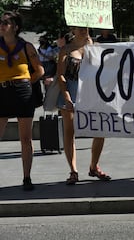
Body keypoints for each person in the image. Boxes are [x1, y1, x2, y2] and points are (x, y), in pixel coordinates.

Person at [56, 26, 111, 185]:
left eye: (86, 28)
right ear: (73, 29)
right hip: (71, 92)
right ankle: (73, 170)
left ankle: (94, 165)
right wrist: (66, 96)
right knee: (69, 131)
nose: (83, 31)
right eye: (80, 28)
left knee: (100, 129)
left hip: (90, 92)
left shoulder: (94, 47)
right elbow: (60, 74)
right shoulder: (66, 49)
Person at [0, 11, 44, 190]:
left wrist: (26, 82)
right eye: (1, 23)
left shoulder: (26, 47)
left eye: (6, 23)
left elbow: (39, 70)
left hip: (21, 92)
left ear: (15, 27)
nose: (2, 25)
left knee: (25, 138)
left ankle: (27, 178)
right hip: (1, 91)